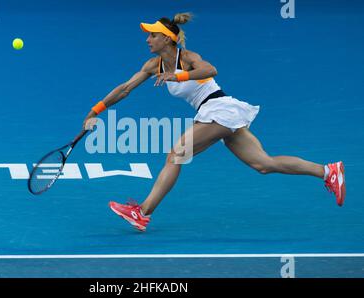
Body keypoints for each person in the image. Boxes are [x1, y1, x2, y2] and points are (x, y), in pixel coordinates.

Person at [82, 13, 346, 232]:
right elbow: (125, 88)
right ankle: (327, 171)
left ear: (166, 38)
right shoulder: (153, 65)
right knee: (263, 164)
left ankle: (142, 212)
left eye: (152, 35)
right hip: (216, 113)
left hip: (218, 107)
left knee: (176, 155)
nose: (147, 39)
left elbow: (211, 70)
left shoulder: (187, 57)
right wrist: (96, 110)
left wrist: (179, 76)